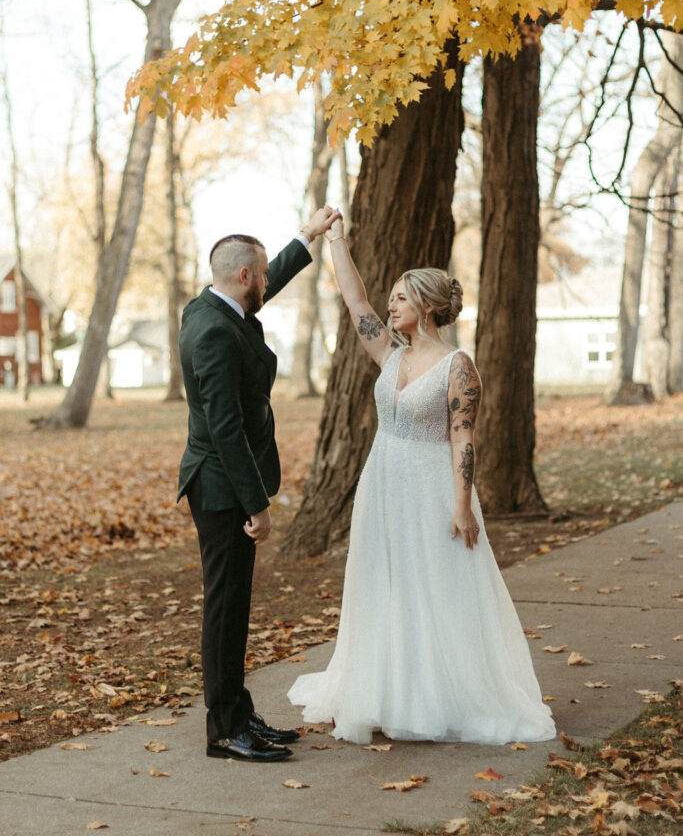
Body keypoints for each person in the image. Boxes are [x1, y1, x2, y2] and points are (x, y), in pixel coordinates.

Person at [288, 215, 556, 745]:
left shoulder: (458, 367)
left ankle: (439, 697)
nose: (390, 307)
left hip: (433, 489)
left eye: (402, 300)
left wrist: (461, 505)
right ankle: (382, 694)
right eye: (391, 299)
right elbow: (354, 300)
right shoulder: (391, 354)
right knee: (383, 586)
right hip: (383, 485)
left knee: (434, 591)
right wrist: (335, 239)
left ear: (428, 308)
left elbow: (462, 437)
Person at [179, 207, 339, 762]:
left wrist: (306, 237)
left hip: (224, 484)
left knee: (235, 609)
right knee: (225, 612)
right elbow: (224, 428)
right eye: (265, 274)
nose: (267, 283)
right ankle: (225, 730)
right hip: (223, 489)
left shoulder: (211, 309)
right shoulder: (216, 333)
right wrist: (258, 504)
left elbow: (257, 297)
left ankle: (239, 712)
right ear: (245, 276)